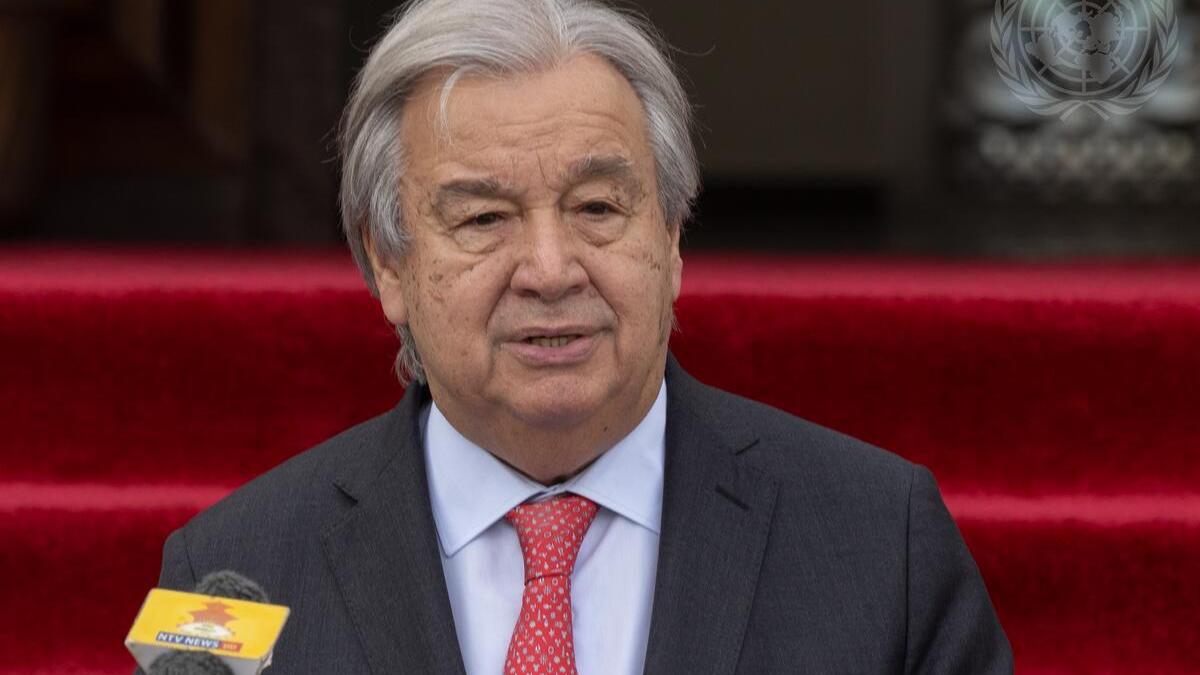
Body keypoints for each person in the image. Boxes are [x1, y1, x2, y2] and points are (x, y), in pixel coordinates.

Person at [150, 0, 1013, 672]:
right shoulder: (226, 572)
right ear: (390, 263)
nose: (550, 268)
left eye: (597, 207)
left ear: (671, 237)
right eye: (484, 218)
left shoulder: (883, 543)